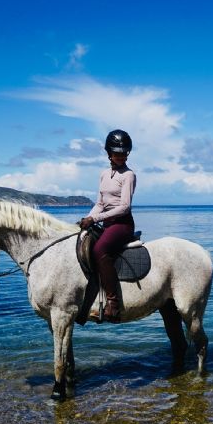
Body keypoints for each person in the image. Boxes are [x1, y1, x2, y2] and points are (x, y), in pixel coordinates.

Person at [79, 129, 136, 323]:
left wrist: (95, 220)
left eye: (123, 153)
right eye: (117, 152)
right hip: (107, 222)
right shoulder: (104, 174)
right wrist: (87, 219)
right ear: (108, 153)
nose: (120, 156)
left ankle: (113, 305)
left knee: (100, 249)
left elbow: (124, 207)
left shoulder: (128, 175)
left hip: (122, 224)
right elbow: (100, 203)